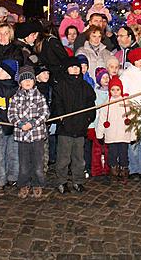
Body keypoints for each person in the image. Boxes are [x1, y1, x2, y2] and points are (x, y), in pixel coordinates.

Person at [52, 58, 96, 194]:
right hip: (65, 128)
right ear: (67, 69)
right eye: (72, 67)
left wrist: (89, 118)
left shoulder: (85, 86)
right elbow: (57, 103)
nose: (75, 69)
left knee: (79, 158)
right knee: (63, 158)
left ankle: (78, 181)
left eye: (77, 67)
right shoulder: (61, 85)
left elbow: (91, 104)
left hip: (80, 127)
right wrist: (62, 119)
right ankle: (62, 181)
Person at [8, 65, 50, 199]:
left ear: (34, 81)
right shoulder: (15, 98)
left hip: (37, 135)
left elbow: (45, 113)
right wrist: (20, 124)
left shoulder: (39, 97)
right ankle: (23, 184)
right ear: (20, 83)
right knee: (24, 164)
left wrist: (32, 123)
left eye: (30, 80)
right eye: (24, 80)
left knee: (38, 163)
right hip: (22, 136)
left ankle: (38, 184)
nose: (27, 82)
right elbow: (11, 114)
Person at [0, 60, 20, 194]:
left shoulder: (17, 88)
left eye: (3, 70)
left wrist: (18, 121)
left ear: (10, 74)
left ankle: (13, 176)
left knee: (14, 153)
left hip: (14, 125)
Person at [120, 47, 141, 178]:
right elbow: (124, 93)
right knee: (133, 140)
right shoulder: (127, 74)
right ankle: (133, 168)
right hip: (132, 109)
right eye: (138, 60)